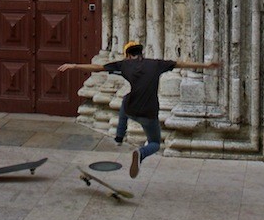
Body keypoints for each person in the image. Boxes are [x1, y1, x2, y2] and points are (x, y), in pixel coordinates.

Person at [59, 41, 219, 178]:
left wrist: (74, 66)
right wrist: (206, 65)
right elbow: (181, 64)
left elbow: (97, 67)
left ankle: (119, 137)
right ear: (141, 53)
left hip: (131, 109)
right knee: (155, 143)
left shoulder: (124, 65)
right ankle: (141, 153)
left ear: (128, 55)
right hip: (149, 113)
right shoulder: (156, 64)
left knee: (126, 99)